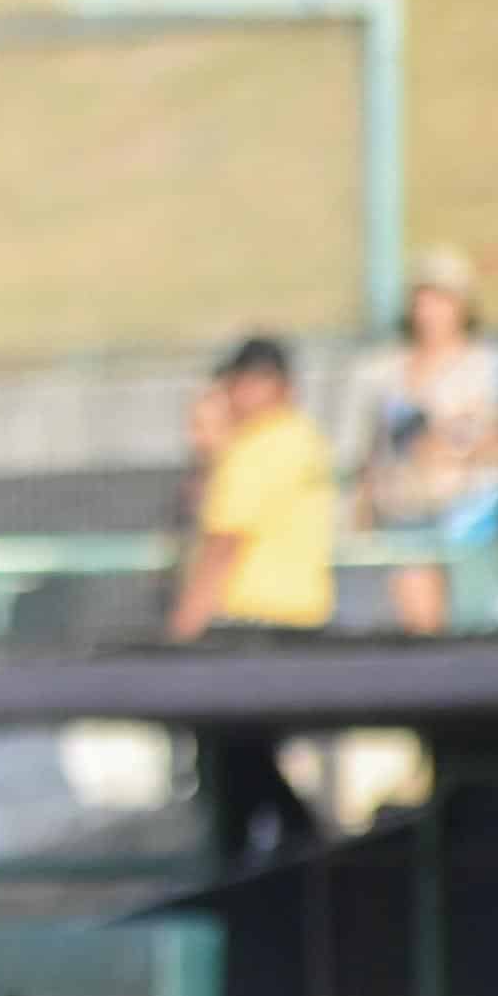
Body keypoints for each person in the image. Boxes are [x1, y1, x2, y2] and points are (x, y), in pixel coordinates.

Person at [168, 335, 330, 860]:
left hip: (250, 624)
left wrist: (183, 629)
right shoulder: (300, 437)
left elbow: (223, 543)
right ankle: (300, 849)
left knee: (230, 757)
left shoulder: (257, 446)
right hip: (297, 616)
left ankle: (273, 857)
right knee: (247, 754)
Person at [344, 257, 498, 633]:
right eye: (422, 297)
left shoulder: (488, 366)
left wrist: (453, 449)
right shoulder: (384, 370)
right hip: (402, 514)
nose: (429, 310)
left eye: (441, 298)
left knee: (472, 626)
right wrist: (361, 509)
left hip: (470, 519)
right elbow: (367, 450)